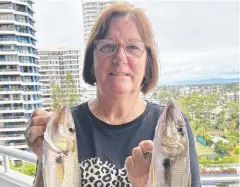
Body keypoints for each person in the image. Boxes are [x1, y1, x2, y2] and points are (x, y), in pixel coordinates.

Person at [25, 2, 201, 187]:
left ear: (147, 62)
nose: (120, 58)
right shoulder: (67, 125)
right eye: (108, 46)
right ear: (92, 59)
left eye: (133, 47)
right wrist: (44, 160)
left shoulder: (169, 128)